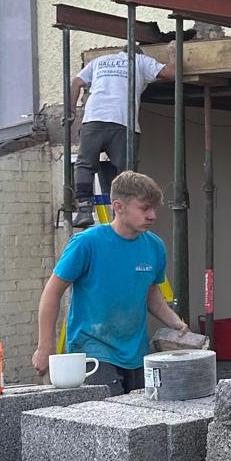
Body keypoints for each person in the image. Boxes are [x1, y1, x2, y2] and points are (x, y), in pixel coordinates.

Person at [33, 171, 189, 395]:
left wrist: (176, 323)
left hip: (136, 353)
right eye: (145, 208)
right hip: (93, 351)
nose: (153, 215)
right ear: (119, 206)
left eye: (154, 208)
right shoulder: (87, 243)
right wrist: (45, 347)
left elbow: (152, 296)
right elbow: (52, 293)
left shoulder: (154, 246)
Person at [71, 43, 175, 227]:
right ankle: (122, 213)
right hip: (123, 122)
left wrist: (70, 111)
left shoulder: (99, 61)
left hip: (93, 119)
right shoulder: (140, 61)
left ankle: (84, 208)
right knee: (126, 171)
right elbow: (172, 73)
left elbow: (76, 82)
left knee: (85, 164)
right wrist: (173, 53)